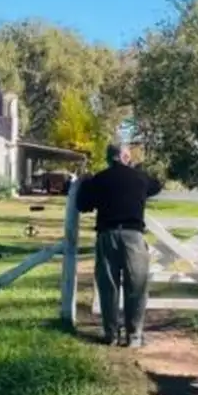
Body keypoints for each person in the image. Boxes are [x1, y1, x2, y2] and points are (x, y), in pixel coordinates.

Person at [75, 143, 163, 347]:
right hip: (133, 234)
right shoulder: (139, 177)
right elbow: (157, 185)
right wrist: (138, 171)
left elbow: (82, 205)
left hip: (107, 234)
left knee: (108, 286)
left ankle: (111, 334)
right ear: (125, 157)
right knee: (137, 286)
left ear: (109, 158)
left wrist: (86, 183)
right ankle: (134, 335)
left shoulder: (100, 179)